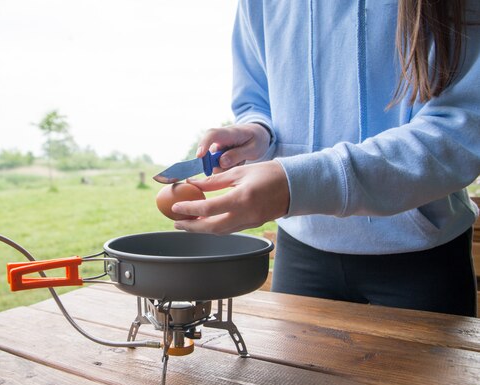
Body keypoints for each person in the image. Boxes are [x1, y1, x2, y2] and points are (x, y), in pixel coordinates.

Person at [171, 0, 480, 317]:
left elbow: (461, 131)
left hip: (421, 252)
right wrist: (259, 131)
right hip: (300, 248)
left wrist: (296, 186)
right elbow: (257, 97)